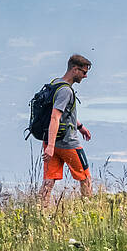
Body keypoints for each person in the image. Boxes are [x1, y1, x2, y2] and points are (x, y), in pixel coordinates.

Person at [41, 54, 94, 207]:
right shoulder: (66, 91)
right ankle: (88, 211)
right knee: (85, 177)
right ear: (74, 69)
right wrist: (51, 146)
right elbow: (54, 117)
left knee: (48, 180)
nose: (85, 76)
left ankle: (42, 211)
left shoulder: (55, 83)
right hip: (67, 143)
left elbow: (63, 114)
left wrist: (79, 126)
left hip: (50, 140)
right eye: (83, 72)